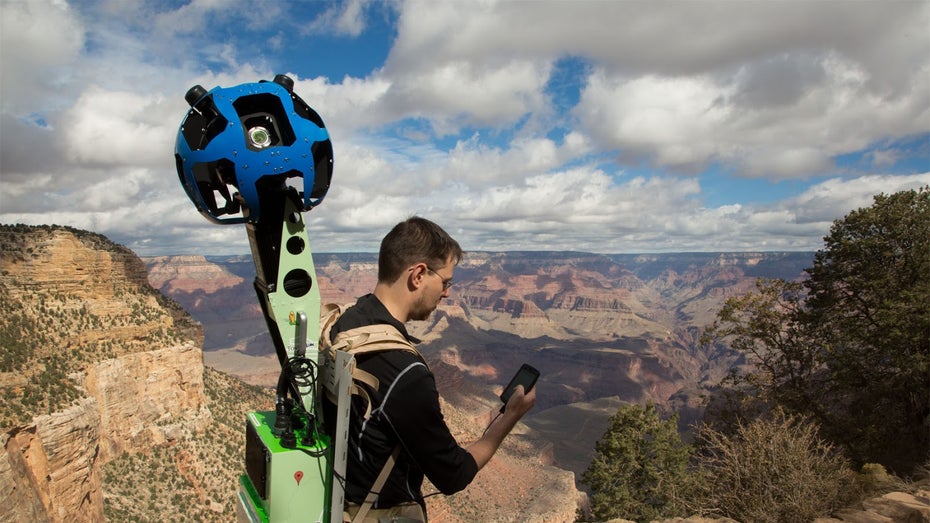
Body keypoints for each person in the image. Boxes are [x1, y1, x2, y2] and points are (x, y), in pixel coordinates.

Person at [325, 216, 536, 522]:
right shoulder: (404, 373)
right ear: (419, 275)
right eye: (446, 282)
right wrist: (510, 417)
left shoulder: (345, 322)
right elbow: (454, 475)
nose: (447, 293)